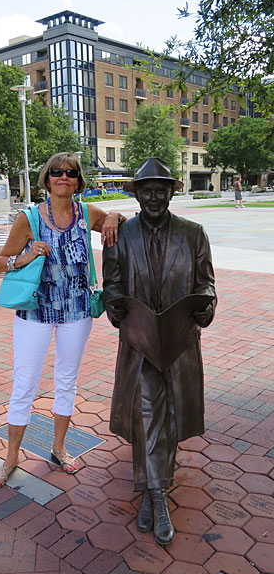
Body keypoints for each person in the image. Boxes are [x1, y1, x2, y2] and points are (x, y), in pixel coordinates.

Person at [0, 152, 124, 490]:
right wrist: (27, 254)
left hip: (77, 313)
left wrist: (116, 215)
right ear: (46, 179)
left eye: (71, 173)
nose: (63, 177)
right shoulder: (29, 218)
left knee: (66, 380)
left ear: (79, 180)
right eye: (56, 172)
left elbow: (120, 223)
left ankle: (59, 447)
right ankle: (11, 457)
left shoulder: (85, 213)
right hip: (35, 312)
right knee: (25, 383)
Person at [102, 157, 217, 546]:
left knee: (168, 415)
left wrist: (206, 307)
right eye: (146, 190)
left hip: (180, 339)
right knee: (148, 412)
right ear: (136, 195)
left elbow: (207, 284)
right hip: (140, 341)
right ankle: (156, 495)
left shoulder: (194, 233)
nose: (153, 197)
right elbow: (112, 284)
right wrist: (115, 304)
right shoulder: (120, 235)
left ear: (171, 193)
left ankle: (155, 486)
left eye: (160, 190)